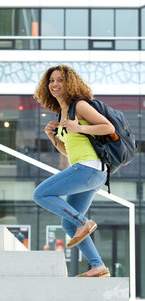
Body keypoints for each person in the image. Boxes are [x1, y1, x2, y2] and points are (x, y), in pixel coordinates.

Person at [33, 64, 114, 277]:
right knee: (69, 225)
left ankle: (84, 222)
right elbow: (68, 152)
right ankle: (98, 266)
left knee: (40, 194)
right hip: (89, 171)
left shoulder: (79, 106)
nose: (55, 84)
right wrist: (52, 136)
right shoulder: (62, 112)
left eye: (60, 80)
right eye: (51, 80)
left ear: (70, 83)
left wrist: (80, 128)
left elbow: (108, 127)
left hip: (89, 169)